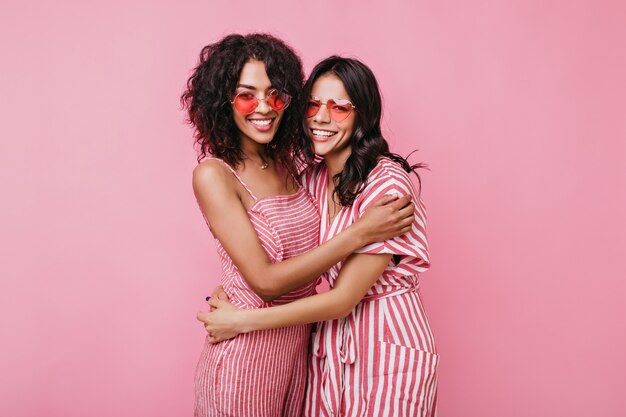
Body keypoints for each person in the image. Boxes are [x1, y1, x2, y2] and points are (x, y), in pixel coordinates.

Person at [182, 35, 415, 417]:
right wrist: (358, 233)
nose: (264, 108)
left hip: (300, 353)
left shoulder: (294, 168)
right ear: (222, 102)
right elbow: (265, 282)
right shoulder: (214, 175)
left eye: (276, 95)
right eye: (247, 95)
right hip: (245, 353)